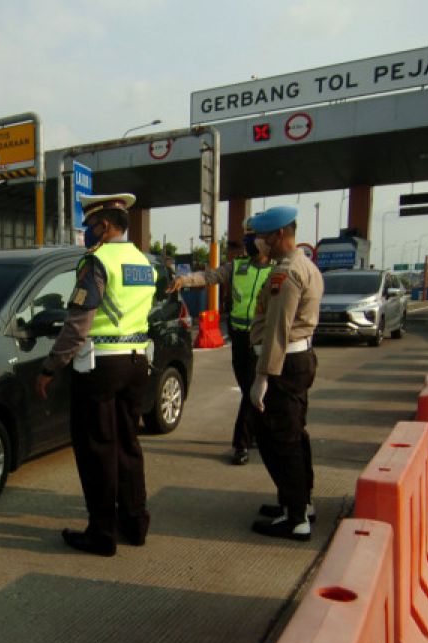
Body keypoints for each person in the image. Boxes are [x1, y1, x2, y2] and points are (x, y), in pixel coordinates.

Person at [35, 193, 155, 557]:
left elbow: (77, 325)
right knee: (128, 445)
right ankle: (134, 524)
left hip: (101, 366)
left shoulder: (96, 262)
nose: (87, 233)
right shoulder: (143, 261)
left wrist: (50, 367)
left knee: (97, 449)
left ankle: (101, 533)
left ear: (105, 224)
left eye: (89, 226)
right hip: (137, 361)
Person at [244, 206, 323, 541]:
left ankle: (296, 517)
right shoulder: (305, 265)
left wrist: (262, 377)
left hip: (282, 365)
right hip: (297, 360)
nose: (259, 244)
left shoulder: (285, 273)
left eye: (262, 237)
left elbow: (278, 328)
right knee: (293, 433)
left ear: (279, 235)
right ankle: (300, 501)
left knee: (280, 439)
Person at [169, 222, 274, 465]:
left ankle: (241, 444)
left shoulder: (278, 270)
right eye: (246, 237)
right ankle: (255, 433)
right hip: (239, 338)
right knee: (251, 390)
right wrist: (185, 280)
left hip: (263, 339)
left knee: (252, 391)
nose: (249, 242)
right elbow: (209, 276)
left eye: (254, 237)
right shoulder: (237, 266)